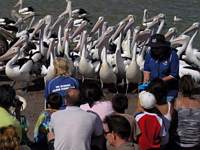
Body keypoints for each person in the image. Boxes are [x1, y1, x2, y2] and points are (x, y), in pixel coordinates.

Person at [143, 34, 179, 102]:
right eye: (152, 47)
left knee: (168, 105)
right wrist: (146, 83)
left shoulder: (173, 55)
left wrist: (158, 82)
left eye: (157, 48)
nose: (154, 50)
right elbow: (146, 70)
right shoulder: (149, 54)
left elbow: (173, 75)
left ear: (163, 46)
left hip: (169, 89)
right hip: (153, 88)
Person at [171, 75, 200, 150]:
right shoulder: (199, 103)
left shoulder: (176, 102)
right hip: (196, 142)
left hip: (179, 142)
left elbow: (172, 123)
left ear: (180, 88)